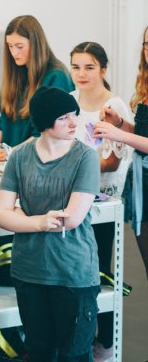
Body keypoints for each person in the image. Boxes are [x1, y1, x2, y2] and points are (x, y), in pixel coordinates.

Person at [0, 86, 100, 361]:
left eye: (74, 115)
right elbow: (1, 215)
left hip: (72, 272)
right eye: (64, 117)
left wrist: (23, 218)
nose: (74, 123)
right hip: (29, 271)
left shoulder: (85, 157)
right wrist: (41, 221)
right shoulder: (19, 156)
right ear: (45, 121)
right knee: (39, 353)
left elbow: (72, 218)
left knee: (74, 355)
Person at [69, 42, 131, 361]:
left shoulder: (115, 105)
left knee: (100, 270)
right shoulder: (69, 102)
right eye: (76, 67)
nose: (81, 74)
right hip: (71, 196)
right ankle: (78, 335)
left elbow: (111, 162)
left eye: (89, 67)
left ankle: (105, 341)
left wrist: (74, 164)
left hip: (104, 200)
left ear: (104, 70)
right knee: (74, 269)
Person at [94, 26, 148, 283]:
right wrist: (120, 124)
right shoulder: (146, 85)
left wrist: (120, 136)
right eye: (146, 45)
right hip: (143, 183)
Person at [0, 15, 74, 160]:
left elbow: (48, 135)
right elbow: (7, 124)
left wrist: (12, 151)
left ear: (35, 44)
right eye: (10, 46)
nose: (14, 53)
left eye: (19, 46)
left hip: (41, 164)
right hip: (14, 161)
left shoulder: (56, 77)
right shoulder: (17, 73)